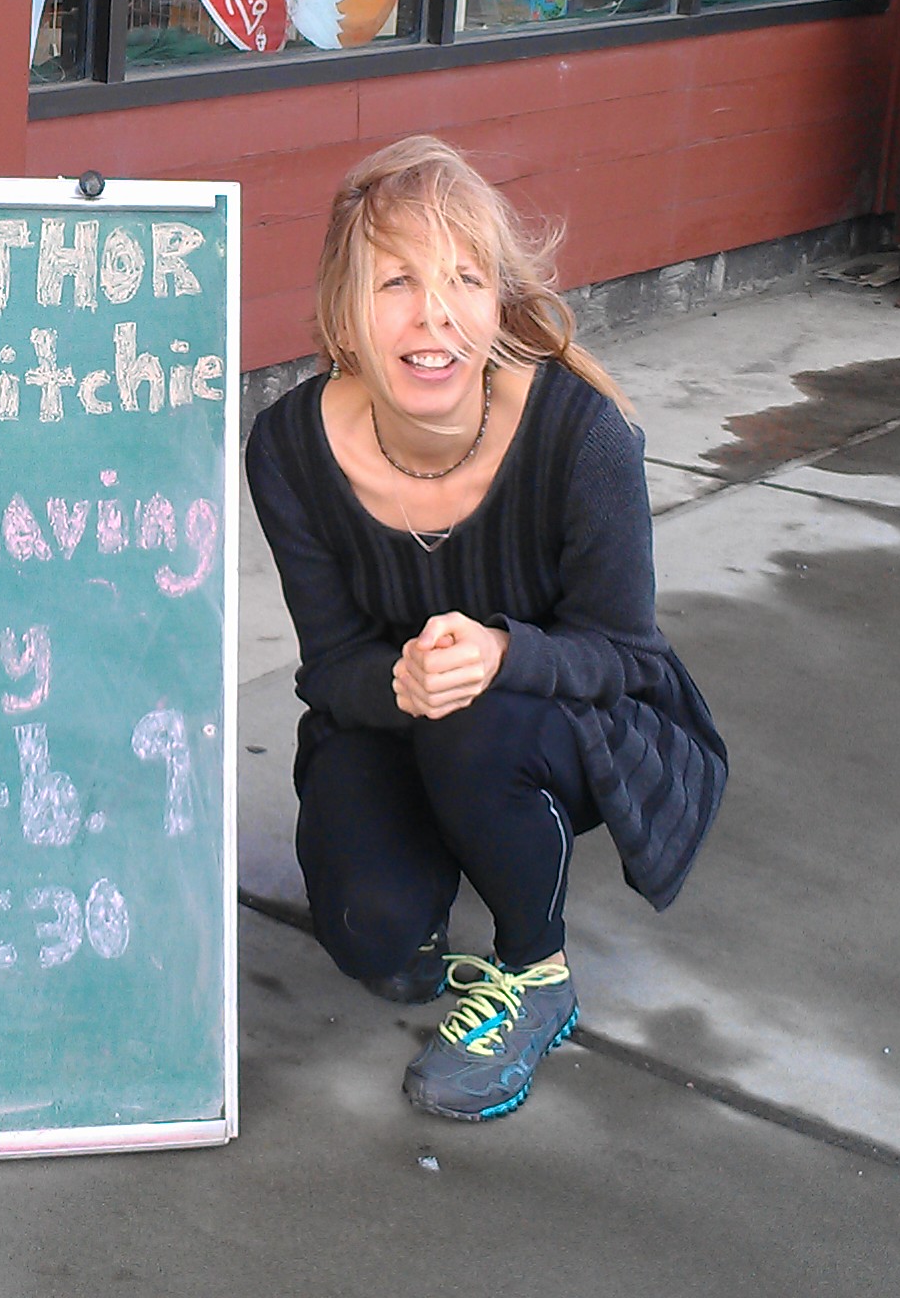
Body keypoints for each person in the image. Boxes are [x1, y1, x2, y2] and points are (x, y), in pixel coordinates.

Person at [245, 135, 727, 1121]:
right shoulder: (290, 447)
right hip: (394, 718)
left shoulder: (581, 433)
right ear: (343, 308)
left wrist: (501, 652)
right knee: (375, 940)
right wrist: (400, 683)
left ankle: (535, 972)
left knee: (477, 719)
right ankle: (448, 841)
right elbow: (329, 666)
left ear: (499, 301)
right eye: (396, 281)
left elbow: (626, 655)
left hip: (565, 719)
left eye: (465, 278)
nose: (433, 315)